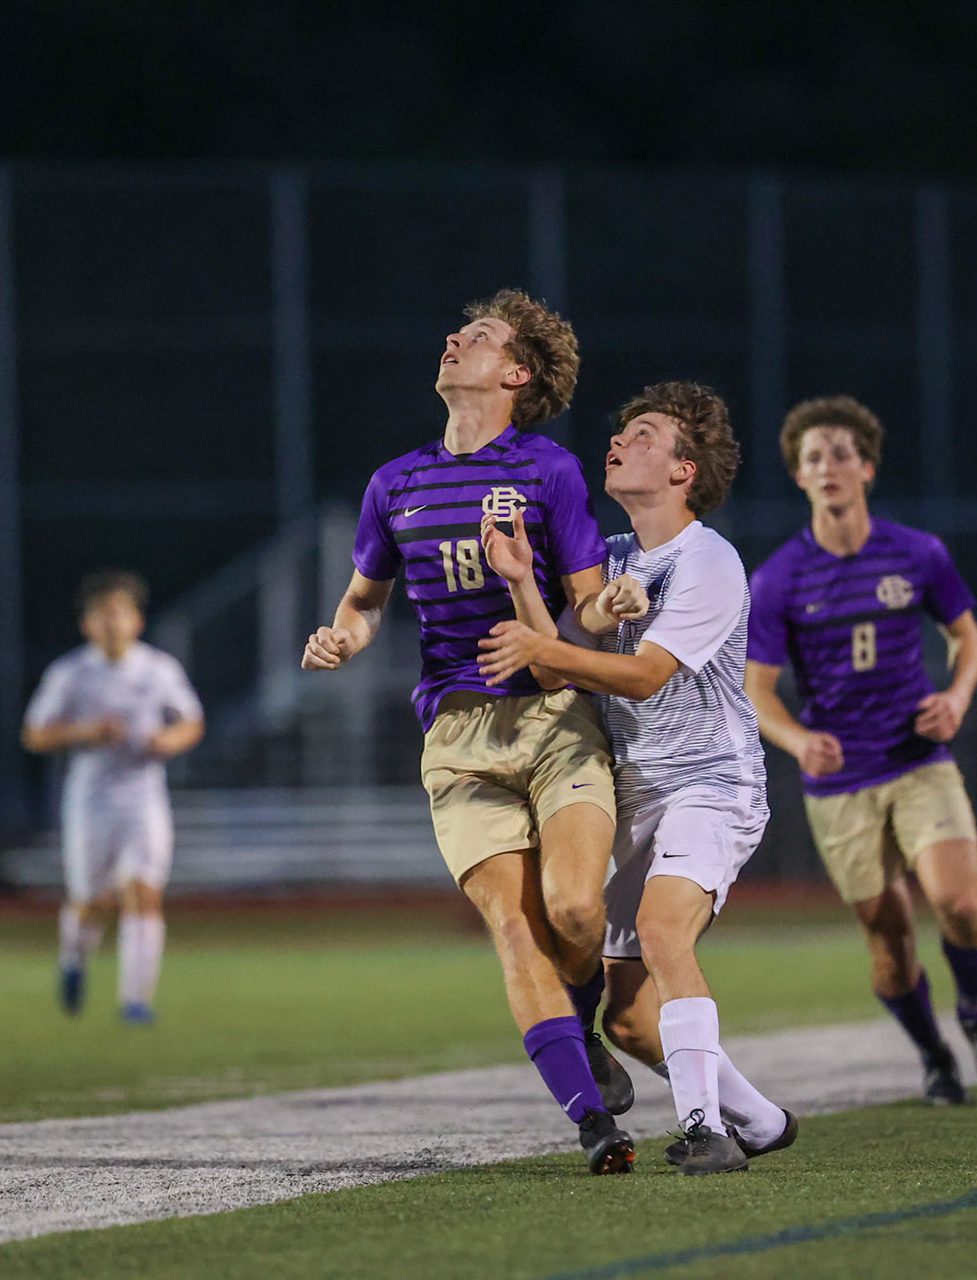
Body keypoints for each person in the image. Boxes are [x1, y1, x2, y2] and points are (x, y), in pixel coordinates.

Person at [302, 290, 645, 1175]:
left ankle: (586, 1021)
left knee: (574, 908)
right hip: (457, 736)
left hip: (555, 717)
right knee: (513, 924)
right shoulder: (395, 483)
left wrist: (620, 597)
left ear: (515, 374)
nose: (455, 339)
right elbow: (364, 600)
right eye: (458, 331)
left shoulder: (551, 471)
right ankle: (591, 1120)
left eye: (479, 337)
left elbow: (586, 610)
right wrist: (344, 634)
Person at [479, 381, 795, 1176]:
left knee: (661, 933)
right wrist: (522, 579)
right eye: (623, 431)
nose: (620, 440)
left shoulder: (708, 559)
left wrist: (543, 648)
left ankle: (705, 1129)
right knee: (625, 1021)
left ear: (685, 470)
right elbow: (558, 659)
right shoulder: (615, 561)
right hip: (635, 794)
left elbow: (646, 675)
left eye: (644, 433)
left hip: (711, 786)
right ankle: (759, 1119)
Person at [744, 396, 977, 1103]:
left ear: (866, 467)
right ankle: (934, 1055)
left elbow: (967, 638)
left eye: (839, 453)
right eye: (812, 458)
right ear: (799, 478)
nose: (827, 466)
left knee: (959, 904)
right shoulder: (777, 579)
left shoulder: (918, 552)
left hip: (918, 760)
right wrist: (800, 740)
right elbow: (758, 690)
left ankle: (976, 1011)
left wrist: (955, 699)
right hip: (841, 785)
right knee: (890, 941)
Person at [23, 570, 203, 1024]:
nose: (111, 622)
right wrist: (88, 731)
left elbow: (191, 721)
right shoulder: (71, 673)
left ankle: (135, 1001)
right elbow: (35, 733)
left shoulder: (158, 669)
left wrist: (168, 741)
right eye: (102, 614)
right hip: (91, 800)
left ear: (137, 621)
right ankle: (73, 959)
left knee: (143, 893)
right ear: (87, 624)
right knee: (90, 902)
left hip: (143, 798)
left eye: (120, 612)